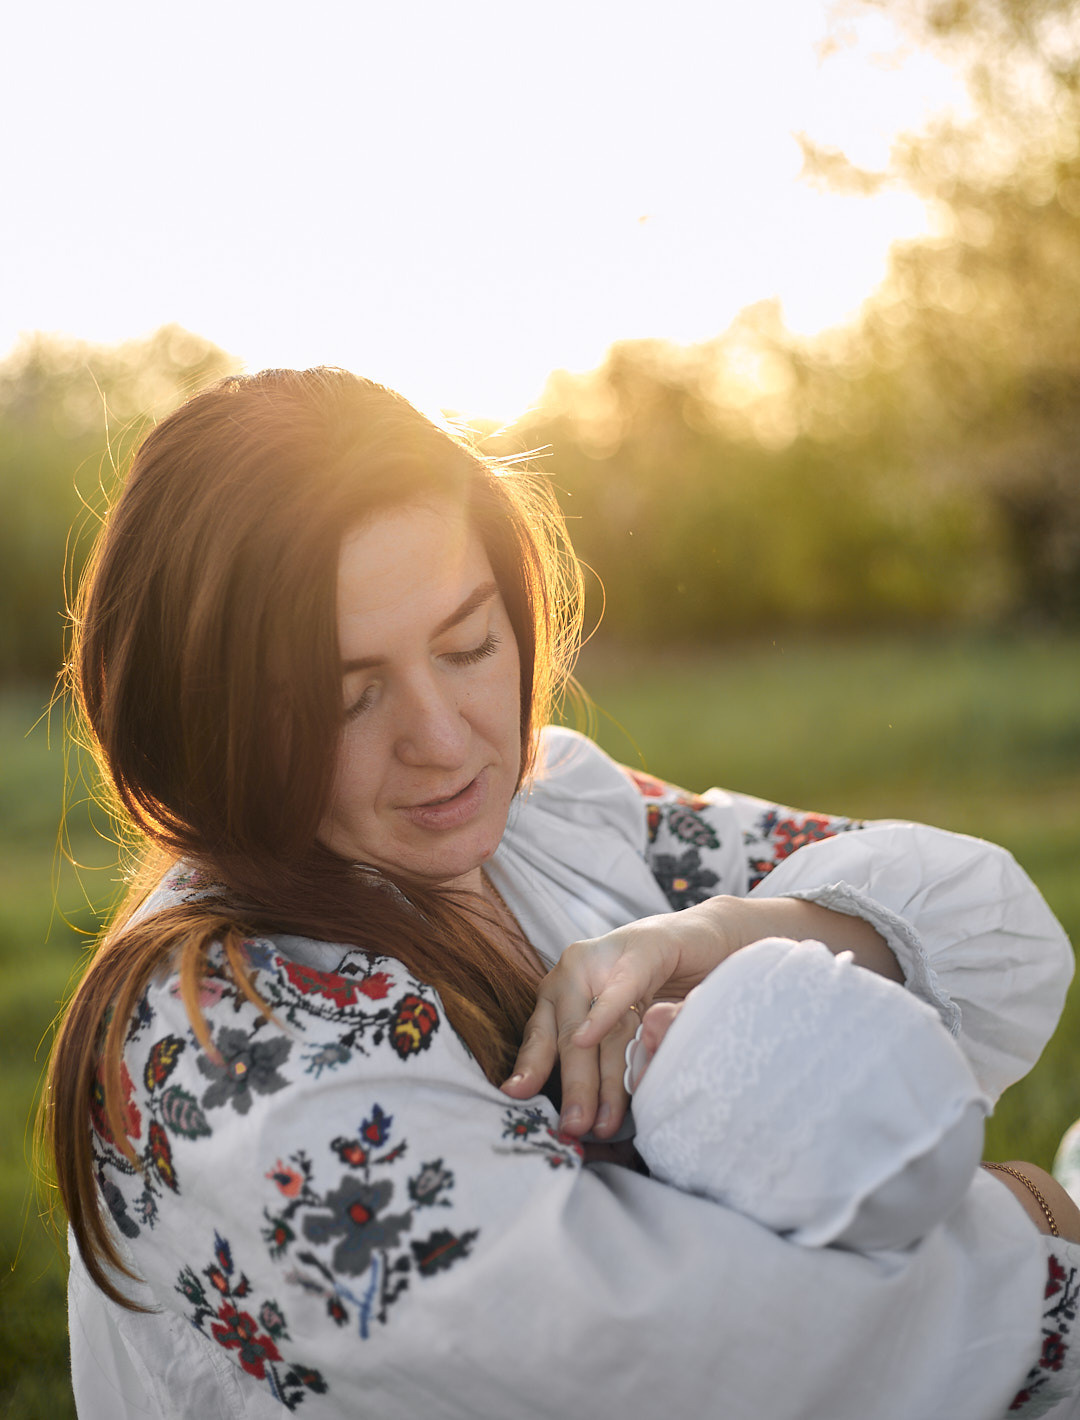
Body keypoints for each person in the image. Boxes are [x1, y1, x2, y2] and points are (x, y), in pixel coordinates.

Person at [47, 366, 1080, 1419]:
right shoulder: (221, 1032)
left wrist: (716, 933)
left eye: (467, 646)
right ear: (205, 718)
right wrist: (1034, 1221)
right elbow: (657, 1362)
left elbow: (993, 928)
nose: (443, 740)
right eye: (344, 698)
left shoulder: (552, 809)